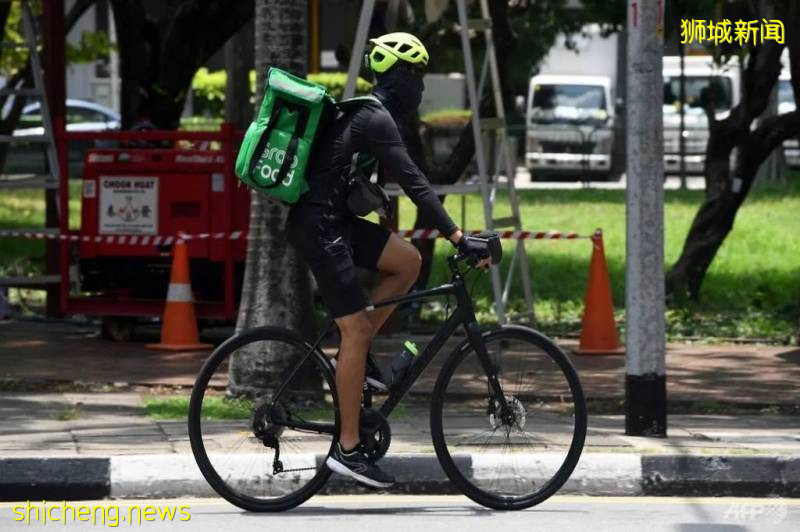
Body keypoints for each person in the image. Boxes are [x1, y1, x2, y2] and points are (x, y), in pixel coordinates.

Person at [285, 32, 492, 489]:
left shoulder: (369, 114)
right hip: (322, 228)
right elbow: (416, 183)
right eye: (416, 75)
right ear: (398, 76)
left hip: (332, 220)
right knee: (354, 329)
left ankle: (362, 364)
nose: (420, 87)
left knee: (408, 261)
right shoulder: (375, 117)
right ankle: (348, 449)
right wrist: (459, 238)